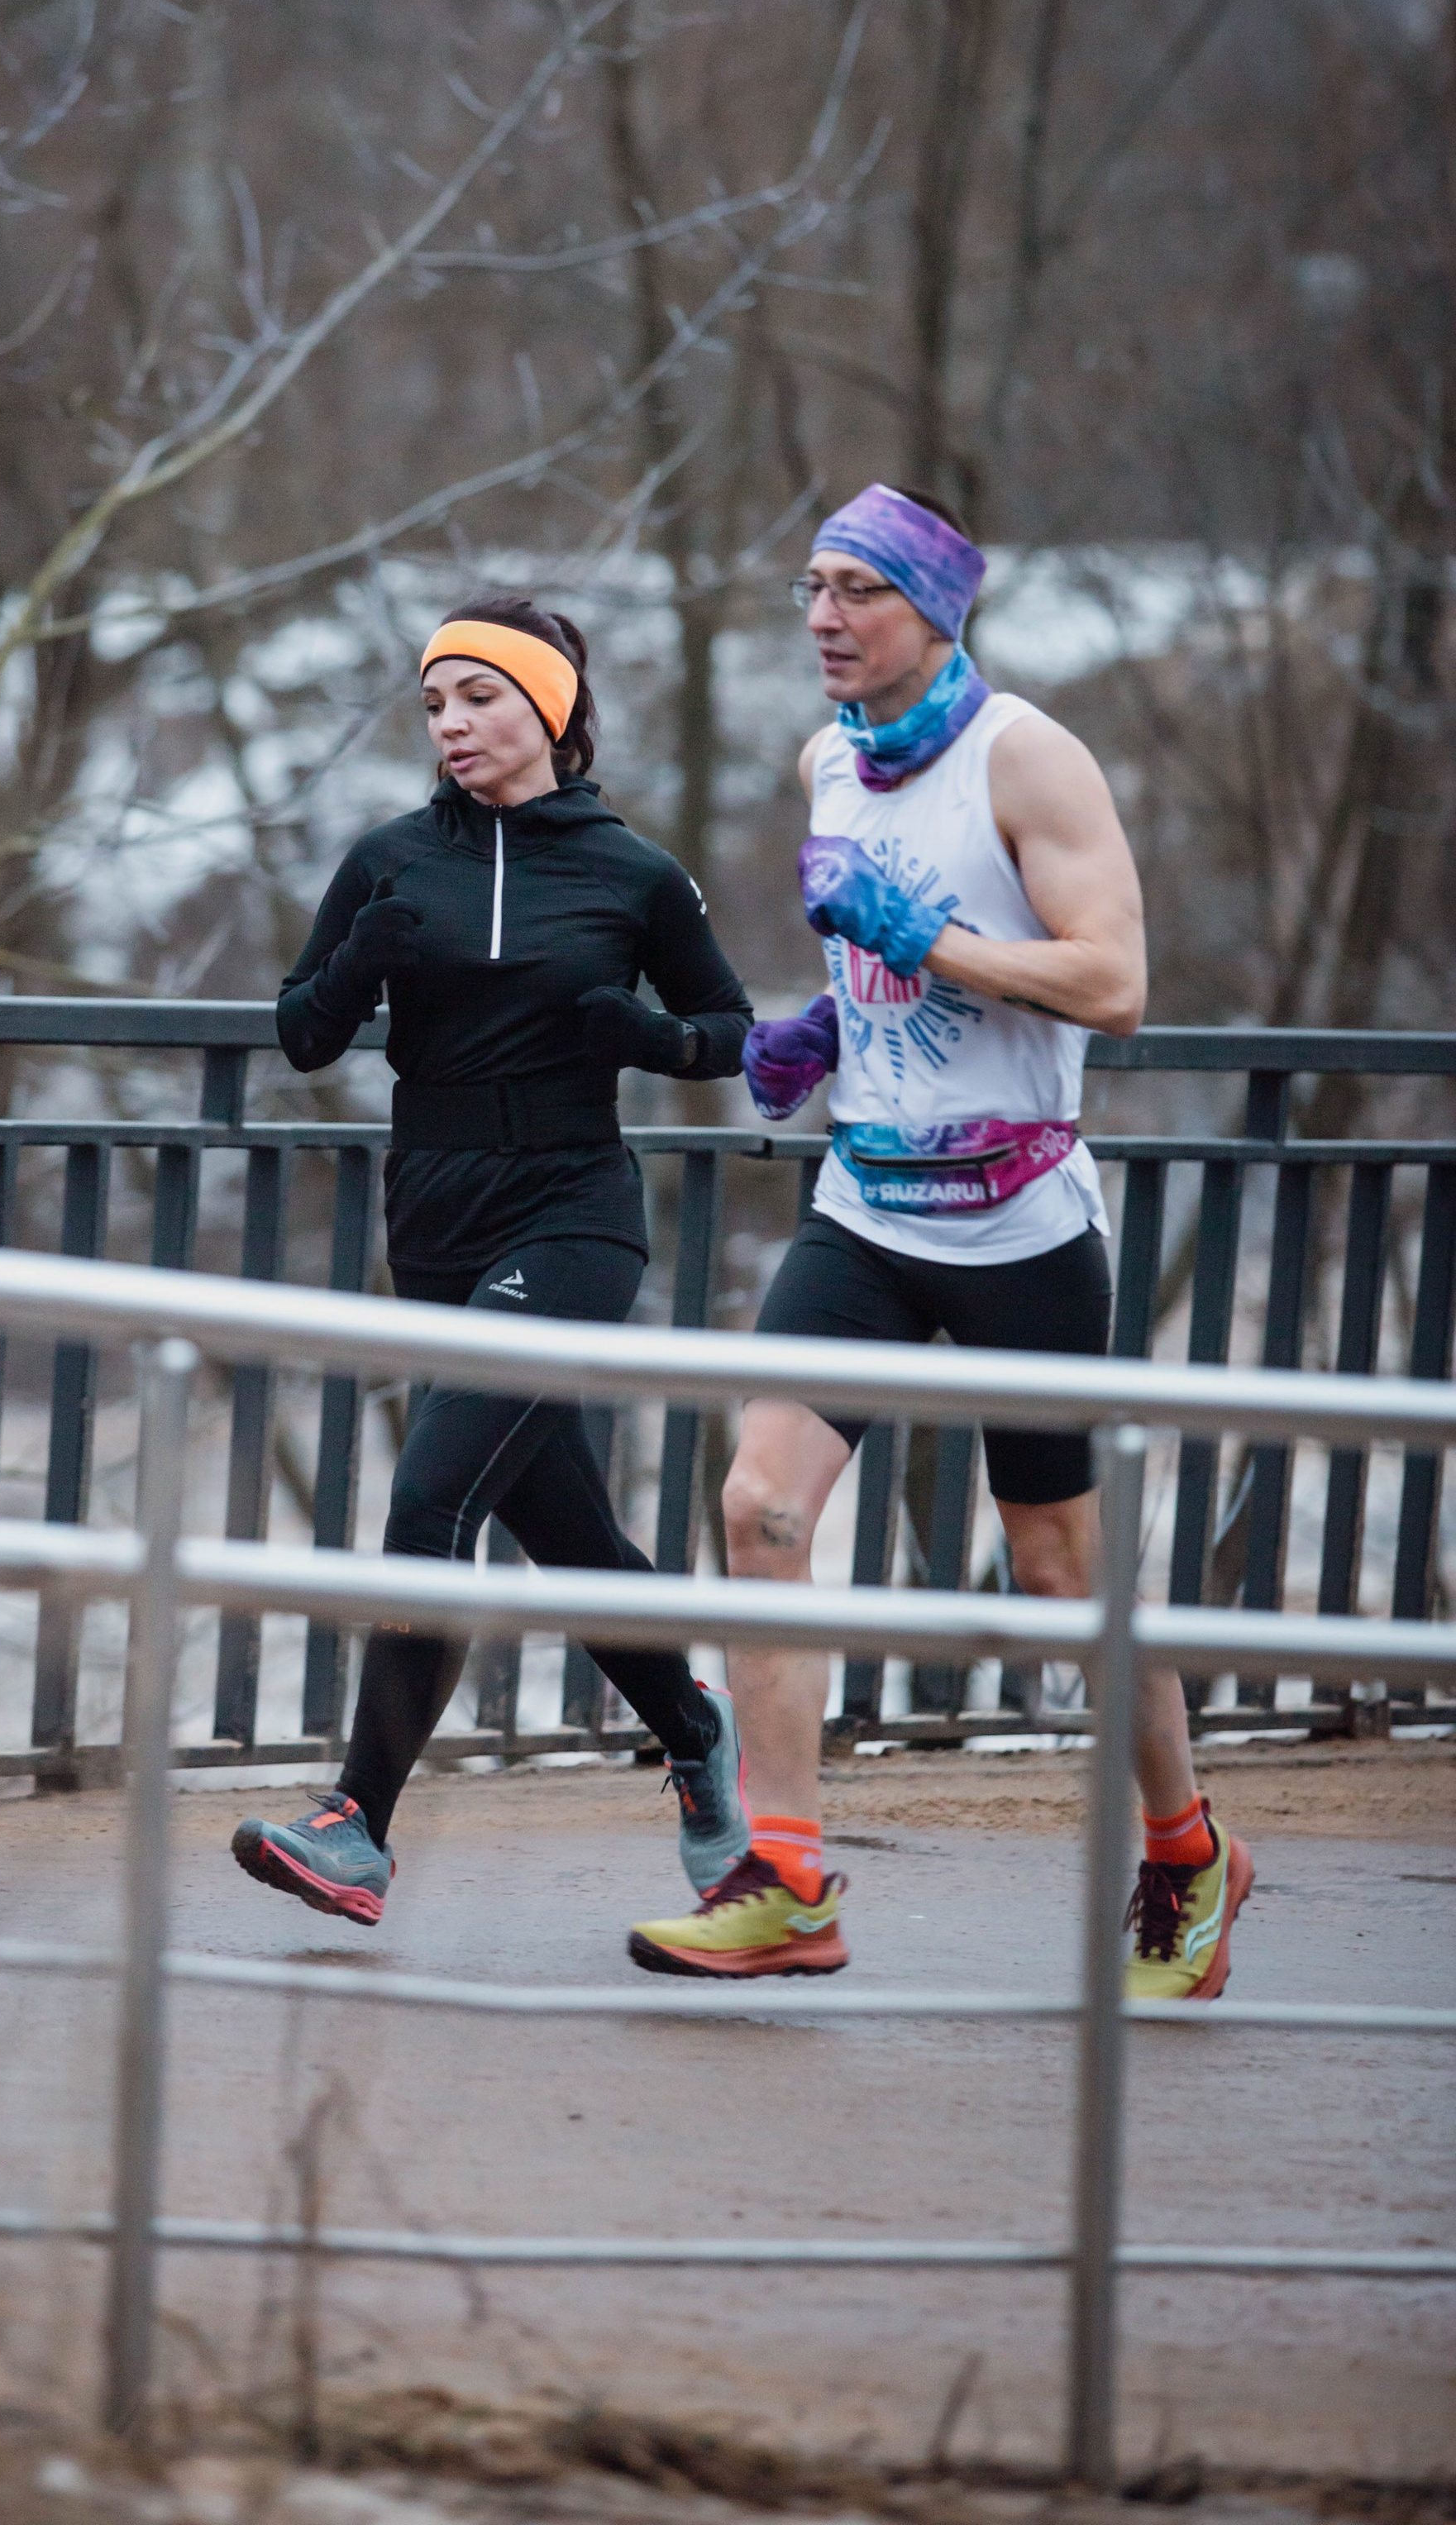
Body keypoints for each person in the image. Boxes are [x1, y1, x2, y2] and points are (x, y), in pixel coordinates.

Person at [627, 483, 1253, 1998]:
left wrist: (919, 937)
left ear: (937, 609)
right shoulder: (824, 759)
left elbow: (1112, 984)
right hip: (866, 1208)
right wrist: (819, 1027)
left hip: (1022, 1225)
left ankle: (1186, 1849)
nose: (827, 620)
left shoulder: (1028, 757)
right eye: (813, 589)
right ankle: (786, 1878)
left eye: (860, 591)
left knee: (1061, 1576)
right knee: (761, 1509)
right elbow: (881, 957)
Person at [232, 592, 757, 1926]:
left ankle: (357, 1825)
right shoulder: (391, 858)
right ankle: (694, 1727)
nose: (453, 725)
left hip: (574, 1211)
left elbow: (731, 1027)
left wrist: (644, 1039)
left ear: (552, 710)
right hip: (436, 1214)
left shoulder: (634, 872)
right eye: (435, 705)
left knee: (430, 1501)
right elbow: (300, 1033)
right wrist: (360, 957)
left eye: (480, 699)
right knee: (561, 1521)